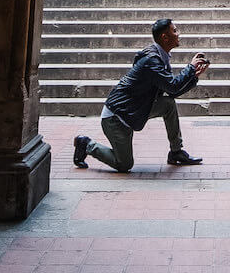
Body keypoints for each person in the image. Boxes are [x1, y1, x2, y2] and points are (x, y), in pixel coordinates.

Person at [74, 18, 208, 172]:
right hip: (116, 117)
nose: (179, 34)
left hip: (134, 110)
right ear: (165, 37)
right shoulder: (152, 61)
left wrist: (194, 76)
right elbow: (172, 85)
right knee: (124, 165)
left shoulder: (160, 58)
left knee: (168, 104)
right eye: (175, 30)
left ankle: (176, 152)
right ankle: (87, 145)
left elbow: (172, 92)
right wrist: (190, 68)